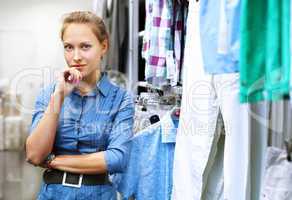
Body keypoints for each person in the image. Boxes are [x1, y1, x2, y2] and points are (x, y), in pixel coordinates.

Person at [25, 11, 134, 200]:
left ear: (104, 46)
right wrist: (59, 96)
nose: (76, 57)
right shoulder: (49, 93)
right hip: (52, 194)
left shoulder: (121, 99)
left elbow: (117, 158)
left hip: (98, 195)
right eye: (68, 47)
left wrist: (52, 160)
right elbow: (34, 154)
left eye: (85, 47)